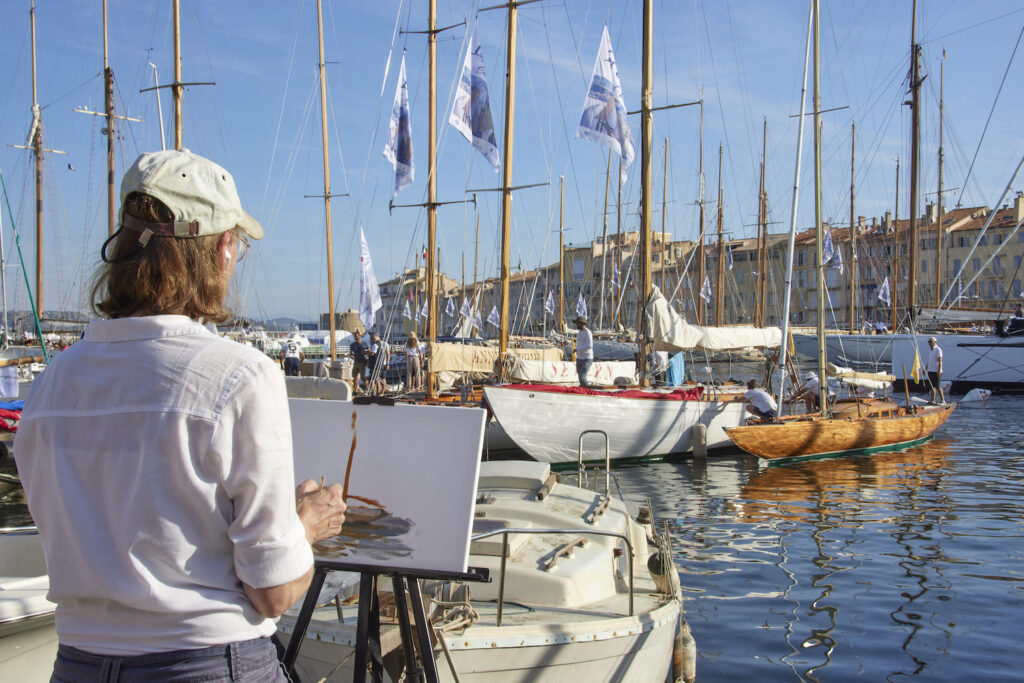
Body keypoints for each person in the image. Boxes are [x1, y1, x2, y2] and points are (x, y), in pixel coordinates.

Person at [15, 149, 347, 681]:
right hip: (207, 662)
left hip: (77, 664)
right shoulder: (240, 376)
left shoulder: (52, 385)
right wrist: (303, 525)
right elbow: (272, 590)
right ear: (220, 251)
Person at [574, 315, 594, 388]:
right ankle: (582, 389)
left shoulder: (587, 332)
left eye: (577, 323)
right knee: (580, 377)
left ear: (582, 323)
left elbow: (589, 346)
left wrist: (577, 349)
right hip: (579, 358)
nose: (576, 324)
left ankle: (588, 390)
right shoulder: (579, 332)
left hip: (587, 358)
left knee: (582, 376)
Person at [926, 336, 945, 404]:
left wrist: (939, 370)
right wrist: (926, 368)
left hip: (936, 370)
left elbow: (940, 361)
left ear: (935, 342)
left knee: (937, 386)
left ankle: (943, 400)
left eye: (931, 341)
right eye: (929, 342)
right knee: (931, 386)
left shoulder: (938, 349)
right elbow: (930, 361)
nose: (930, 343)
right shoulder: (931, 350)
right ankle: (932, 400)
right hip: (930, 370)